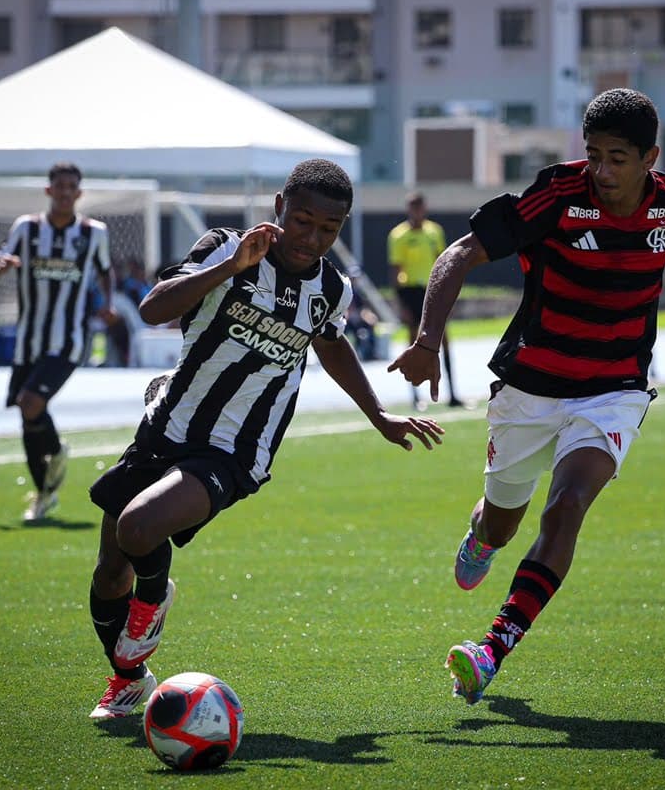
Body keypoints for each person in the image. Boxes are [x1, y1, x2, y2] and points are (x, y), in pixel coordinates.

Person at [388, 88, 665, 705]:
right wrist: (426, 341)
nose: (602, 171)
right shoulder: (555, 196)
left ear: (650, 158)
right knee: (502, 525)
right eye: (593, 154)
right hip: (531, 387)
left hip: (613, 390)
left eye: (618, 158)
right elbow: (459, 253)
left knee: (569, 503)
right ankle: (482, 532)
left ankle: (491, 648)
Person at [84, 159, 445, 719]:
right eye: (302, 221)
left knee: (138, 527)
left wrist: (379, 415)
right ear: (279, 206)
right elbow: (154, 308)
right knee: (111, 571)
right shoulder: (224, 247)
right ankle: (129, 678)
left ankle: (153, 600)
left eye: (329, 229)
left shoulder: (332, 287)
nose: (312, 238)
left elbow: (329, 343)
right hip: (167, 427)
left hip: (236, 448)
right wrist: (230, 266)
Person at [0, 162, 117, 521]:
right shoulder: (26, 228)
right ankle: (44, 493)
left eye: (71, 186)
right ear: (48, 191)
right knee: (27, 418)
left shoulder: (94, 234)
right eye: (58, 186)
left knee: (30, 402)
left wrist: (108, 305)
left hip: (68, 341)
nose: (64, 192)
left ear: (79, 193)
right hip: (28, 340)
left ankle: (56, 451)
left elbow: (107, 272)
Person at [388, 192, 465, 410]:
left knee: (444, 338)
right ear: (408, 210)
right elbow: (395, 270)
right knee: (414, 341)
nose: (417, 213)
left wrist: (447, 297)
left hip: (432, 292)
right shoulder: (398, 235)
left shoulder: (434, 232)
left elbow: (443, 264)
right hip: (410, 291)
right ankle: (415, 396)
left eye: (420, 208)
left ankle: (452, 394)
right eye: (413, 208)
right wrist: (401, 304)